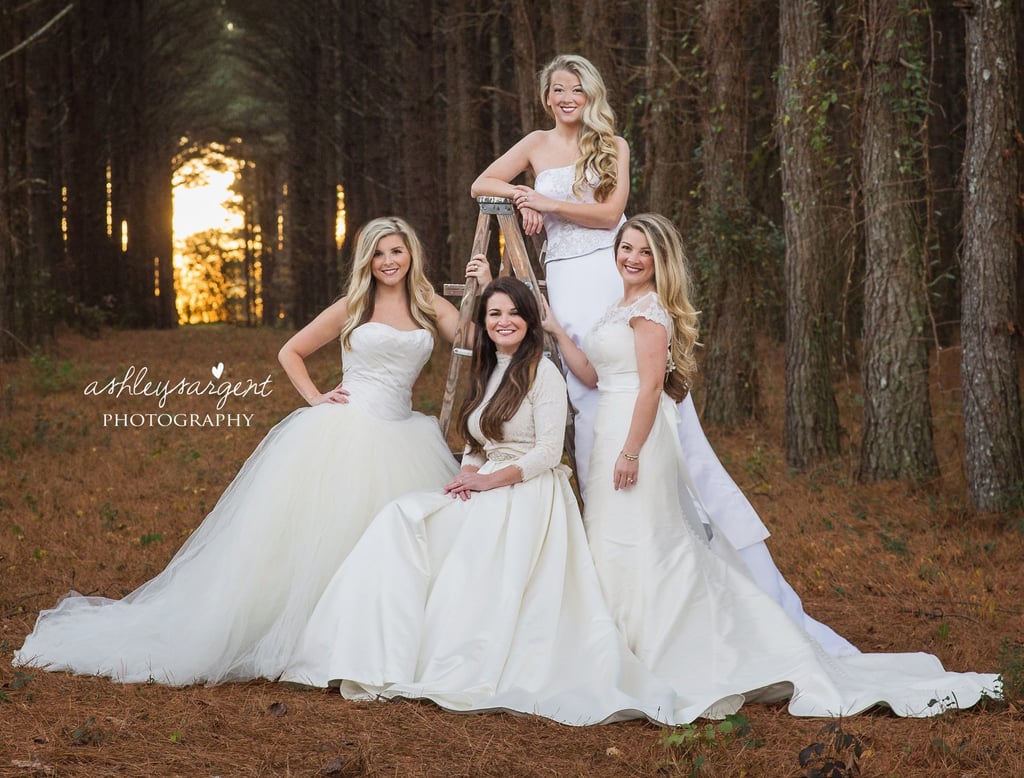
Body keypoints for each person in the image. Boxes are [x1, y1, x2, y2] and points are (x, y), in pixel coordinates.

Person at [471, 52, 857, 656]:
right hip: (565, 290)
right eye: (556, 90)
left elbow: (606, 215)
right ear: (546, 97)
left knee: (648, 404)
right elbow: (481, 183)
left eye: (575, 88)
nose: (566, 98)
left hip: (603, 274)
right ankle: (611, 569)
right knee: (588, 402)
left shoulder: (612, 145)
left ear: (590, 93)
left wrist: (544, 204)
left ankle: (687, 554)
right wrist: (521, 194)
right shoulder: (536, 143)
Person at [542, 212, 1001, 719]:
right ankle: (621, 646)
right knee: (612, 539)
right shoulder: (620, 306)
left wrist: (630, 452)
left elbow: (651, 388)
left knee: (647, 539)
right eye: (627, 248)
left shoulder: (650, 311)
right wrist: (555, 329)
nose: (632, 258)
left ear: (661, 261)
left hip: (638, 439)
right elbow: (589, 373)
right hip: (611, 430)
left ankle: (670, 652)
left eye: (644, 252)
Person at [14, 216, 487, 686]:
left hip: (402, 434)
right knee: (324, 539)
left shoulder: (429, 304)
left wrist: (483, 290)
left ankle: (376, 638)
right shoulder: (354, 305)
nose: (388, 261)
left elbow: (471, 338)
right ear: (367, 259)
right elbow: (291, 351)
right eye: (379, 253)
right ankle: (310, 636)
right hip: (347, 430)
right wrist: (317, 398)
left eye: (396, 252)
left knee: (397, 541)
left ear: (411, 256)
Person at [279, 277, 689, 725]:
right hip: (487, 479)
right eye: (494, 314)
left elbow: (548, 454)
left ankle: (452, 654)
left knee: (459, 546)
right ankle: (373, 653)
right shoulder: (487, 369)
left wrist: (490, 483)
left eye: (514, 312)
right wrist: (469, 473)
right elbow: (477, 440)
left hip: (529, 490)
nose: (504, 321)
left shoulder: (542, 371)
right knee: (400, 517)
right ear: (484, 324)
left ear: (529, 320)